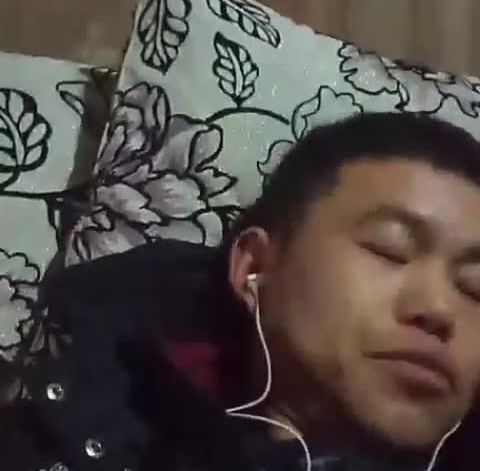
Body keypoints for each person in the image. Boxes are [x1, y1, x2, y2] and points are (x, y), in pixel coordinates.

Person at [4, 112, 480, 470]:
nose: (439, 309)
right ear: (254, 267)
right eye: (390, 249)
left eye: (475, 289)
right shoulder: (62, 423)